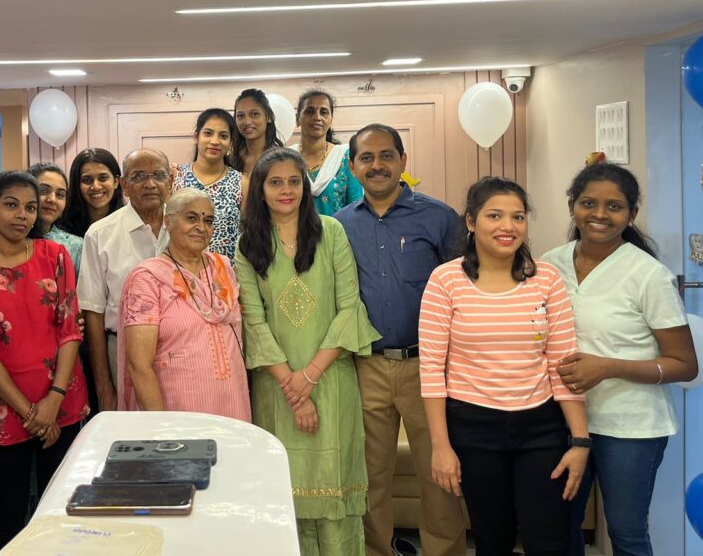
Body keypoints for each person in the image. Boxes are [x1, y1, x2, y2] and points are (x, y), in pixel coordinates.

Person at [420, 177, 590, 556]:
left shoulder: (545, 278)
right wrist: (441, 446)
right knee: (492, 540)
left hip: (541, 427)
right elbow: (431, 369)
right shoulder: (445, 281)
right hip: (473, 428)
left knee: (549, 541)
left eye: (518, 217)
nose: (507, 226)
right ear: (471, 221)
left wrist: (580, 440)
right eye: (494, 215)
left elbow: (562, 363)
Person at [542, 163, 697, 556]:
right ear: (572, 206)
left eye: (614, 206)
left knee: (626, 532)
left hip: (630, 427)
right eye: (588, 203)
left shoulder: (648, 275)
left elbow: (684, 364)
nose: (599, 214)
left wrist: (608, 367)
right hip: (563, 419)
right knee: (559, 525)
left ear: (631, 214)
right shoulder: (549, 265)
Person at [235, 147, 381, 556]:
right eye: (275, 182)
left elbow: (349, 308)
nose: (286, 190)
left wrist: (310, 377)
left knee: (334, 492)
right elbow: (253, 321)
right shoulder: (249, 245)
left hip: (331, 381)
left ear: (305, 186)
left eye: (294, 181)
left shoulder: (331, 232)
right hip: (276, 388)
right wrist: (294, 390)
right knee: (286, 492)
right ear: (260, 190)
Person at [333, 124, 467, 556]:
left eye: (387, 155)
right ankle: (378, 550)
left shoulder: (439, 218)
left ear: (403, 161)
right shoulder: (339, 225)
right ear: (353, 166)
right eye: (367, 158)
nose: (377, 165)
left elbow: (464, 289)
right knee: (369, 476)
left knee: (438, 474)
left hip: (427, 368)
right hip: (366, 366)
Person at [0, 171, 88, 554]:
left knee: (61, 508)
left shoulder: (55, 256)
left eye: (30, 207)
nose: (22, 215)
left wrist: (54, 398)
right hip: (7, 408)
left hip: (63, 400)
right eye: (11, 205)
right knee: (10, 514)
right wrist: (31, 413)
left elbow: (70, 330)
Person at [118, 189, 250, 420]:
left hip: (232, 400)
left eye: (208, 221)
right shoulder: (147, 279)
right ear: (168, 221)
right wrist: (161, 427)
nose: (201, 227)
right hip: (178, 410)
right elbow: (139, 366)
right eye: (191, 218)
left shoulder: (223, 268)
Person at [78, 149, 172, 412]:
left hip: (180, 351)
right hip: (122, 349)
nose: (150, 184)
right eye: (139, 176)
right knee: (131, 431)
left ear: (171, 181)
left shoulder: (185, 226)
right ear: (124, 185)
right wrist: (104, 386)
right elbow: (93, 313)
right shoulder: (100, 235)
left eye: (158, 175)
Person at [171, 108, 245, 261]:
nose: (215, 141)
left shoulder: (242, 182)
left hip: (227, 271)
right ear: (196, 136)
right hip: (181, 268)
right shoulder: (176, 176)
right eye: (208, 133)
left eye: (223, 136)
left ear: (231, 142)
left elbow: (250, 234)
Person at [290, 89, 362, 215]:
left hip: (339, 228)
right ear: (298, 119)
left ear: (331, 119)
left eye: (324, 112)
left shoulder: (345, 156)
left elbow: (356, 208)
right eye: (309, 111)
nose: (317, 117)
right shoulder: (287, 157)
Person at [29, 162, 84, 274]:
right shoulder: (10, 239)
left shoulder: (75, 246)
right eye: (44, 191)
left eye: (60, 194)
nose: (52, 200)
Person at [58, 148, 124, 237]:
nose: (96, 187)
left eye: (103, 178)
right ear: (77, 184)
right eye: (87, 180)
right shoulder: (62, 229)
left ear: (116, 182)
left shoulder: (129, 223)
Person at [231, 88, 283, 177]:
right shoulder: (231, 160)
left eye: (254, 114)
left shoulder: (282, 158)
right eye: (240, 116)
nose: (247, 122)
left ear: (268, 117)